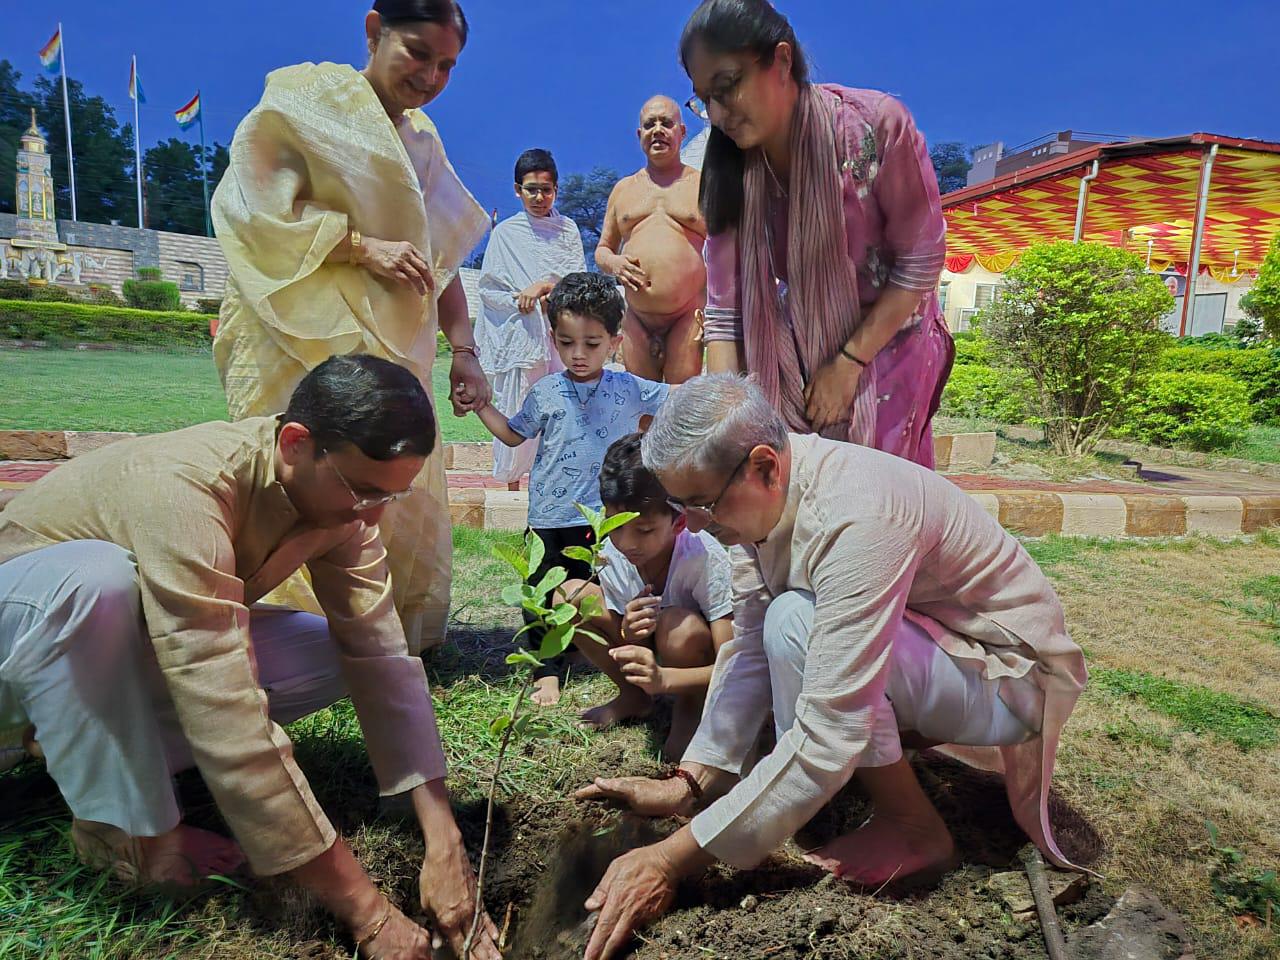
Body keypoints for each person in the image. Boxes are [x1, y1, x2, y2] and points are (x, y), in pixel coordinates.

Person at [0, 356, 500, 960]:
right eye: (363, 490)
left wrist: (444, 841)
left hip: (113, 655)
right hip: (20, 651)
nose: (374, 515)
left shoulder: (342, 503)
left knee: (335, 650)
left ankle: (86, 747)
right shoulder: (186, 487)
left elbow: (382, 656)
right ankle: (124, 831)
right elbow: (221, 695)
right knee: (97, 584)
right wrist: (369, 916)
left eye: (392, 494)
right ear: (295, 444)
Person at [575, 374, 1088, 960]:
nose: (692, 524)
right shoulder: (765, 498)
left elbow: (829, 730)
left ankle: (912, 827)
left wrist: (670, 860)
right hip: (939, 654)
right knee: (781, 624)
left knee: (796, 622)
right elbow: (747, 648)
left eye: (702, 504)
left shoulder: (858, 514)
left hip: (1008, 678)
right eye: (682, 506)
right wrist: (692, 781)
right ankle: (863, 799)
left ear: (764, 466)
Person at [211, 0, 491, 655]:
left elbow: (440, 257)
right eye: (418, 53)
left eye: (447, 65)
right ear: (373, 30)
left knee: (393, 472)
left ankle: (384, 632)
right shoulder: (305, 100)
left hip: (396, 345)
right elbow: (255, 209)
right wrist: (362, 248)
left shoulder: (422, 141)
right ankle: (293, 635)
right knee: (299, 469)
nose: (430, 76)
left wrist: (466, 350)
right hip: (294, 335)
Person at [684, 0, 953, 466]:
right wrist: (724, 422)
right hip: (796, 353)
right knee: (785, 481)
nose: (718, 112)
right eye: (704, 99)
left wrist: (849, 363)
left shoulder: (874, 127)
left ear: (781, 60)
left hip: (891, 342)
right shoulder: (731, 167)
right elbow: (725, 314)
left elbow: (920, 263)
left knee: (874, 490)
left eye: (726, 87)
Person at [474, 274, 670, 707]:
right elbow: (512, 434)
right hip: (549, 516)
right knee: (542, 592)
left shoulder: (630, 388)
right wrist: (481, 405)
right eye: (566, 343)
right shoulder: (545, 391)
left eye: (592, 343)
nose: (578, 354)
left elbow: (682, 399)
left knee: (603, 590)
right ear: (553, 339)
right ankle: (546, 669)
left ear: (615, 342)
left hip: (604, 521)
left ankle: (592, 650)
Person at [563, 433, 733, 760]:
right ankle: (634, 696)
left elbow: (733, 663)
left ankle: (691, 706)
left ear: (679, 523)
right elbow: (628, 639)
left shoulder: (704, 559)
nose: (627, 543)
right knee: (570, 599)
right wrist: (628, 631)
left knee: (678, 625)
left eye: (644, 530)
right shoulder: (610, 554)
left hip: (692, 661)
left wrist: (666, 679)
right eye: (615, 526)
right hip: (652, 657)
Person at [475, 148, 587, 491]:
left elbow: (579, 282)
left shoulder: (568, 230)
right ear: (517, 190)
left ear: (556, 190)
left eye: (546, 190)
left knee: (563, 410)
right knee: (518, 407)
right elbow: (489, 290)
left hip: (561, 337)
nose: (539, 197)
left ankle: (556, 487)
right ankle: (513, 489)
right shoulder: (506, 234)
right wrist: (520, 298)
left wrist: (546, 287)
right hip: (521, 337)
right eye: (531, 190)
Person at [595, 95, 707, 384]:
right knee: (641, 402)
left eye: (666, 123)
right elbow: (603, 250)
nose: (657, 130)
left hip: (687, 314)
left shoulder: (703, 185)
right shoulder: (623, 189)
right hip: (637, 317)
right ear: (639, 134)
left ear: (682, 132)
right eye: (649, 124)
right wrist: (615, 264)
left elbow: (727, 250)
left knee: (682, 400)